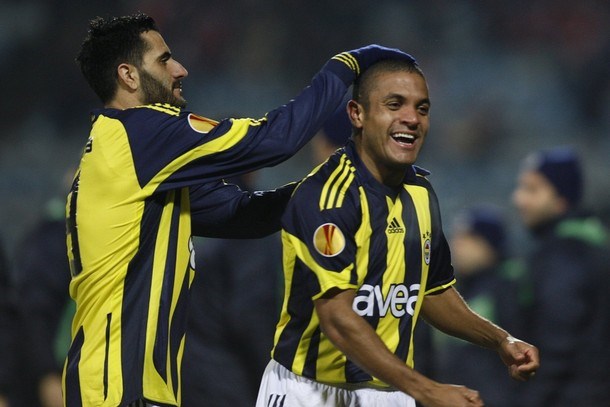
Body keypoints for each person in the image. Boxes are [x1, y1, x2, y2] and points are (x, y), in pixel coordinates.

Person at [64, 12, 413, 407]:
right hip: (119, 388)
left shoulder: (122, 156)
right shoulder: (140, 132)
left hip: (115, 385)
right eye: (163, 60)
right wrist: (346, 65)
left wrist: (336, 190)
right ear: (128, 76)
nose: (180, 69)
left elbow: (243, 215)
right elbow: (275, 140)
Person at [256, 56, 539, 407]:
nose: (412, 118)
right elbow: (337, 317)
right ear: (357, 114)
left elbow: (431, 291)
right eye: (394, 105)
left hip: (393, 392)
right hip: (311, 391)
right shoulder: (327, 197)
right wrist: (427, 390)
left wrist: (500, 340)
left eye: (422, 108)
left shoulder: (421, 193)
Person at [512, 146, 610, 407]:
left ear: (561, 199)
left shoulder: (563, 255)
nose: (519, 199)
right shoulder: (594, 243)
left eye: (532, 189)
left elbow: (556, 348)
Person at [181, 173, 283, 407]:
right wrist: (272, 379)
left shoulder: (182, 204)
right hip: (227, 379)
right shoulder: (246, 214)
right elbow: (250, 315)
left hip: (181, 373)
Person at [432, 204, 526, 407]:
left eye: (469, 238)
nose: (457, 244)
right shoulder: (450, 290)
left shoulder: (510, 288)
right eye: (457, 237)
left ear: (489, 244)